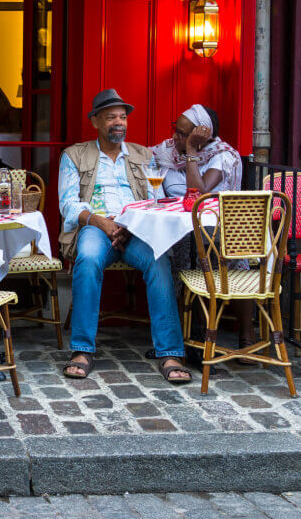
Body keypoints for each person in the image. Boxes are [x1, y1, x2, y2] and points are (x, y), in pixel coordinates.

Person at [58, 89, 191, 384]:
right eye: (111, 117)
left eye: (123, 117)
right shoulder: (74, 155)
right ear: (95, 121)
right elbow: (68, 204)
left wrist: (132, 225)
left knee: (159, 261)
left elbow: (157, 199)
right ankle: (81, 349)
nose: (119, 123)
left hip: (136, 230)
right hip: (95, 225)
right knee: (89, 258)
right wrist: (102, 222)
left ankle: (169, 352)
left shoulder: (144, 155)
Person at [152, 104, 253, 358]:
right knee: (175, 254)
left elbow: (198, 192)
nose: (176, 137)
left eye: (184, 134)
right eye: (176, 129)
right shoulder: (167, 152)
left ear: (202, 134)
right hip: (183, 225)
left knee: (204, 257)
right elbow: (146, 161)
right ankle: (183, 334)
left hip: (221, 228)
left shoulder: (222, 155)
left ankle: (242, 335)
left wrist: (190, 150)